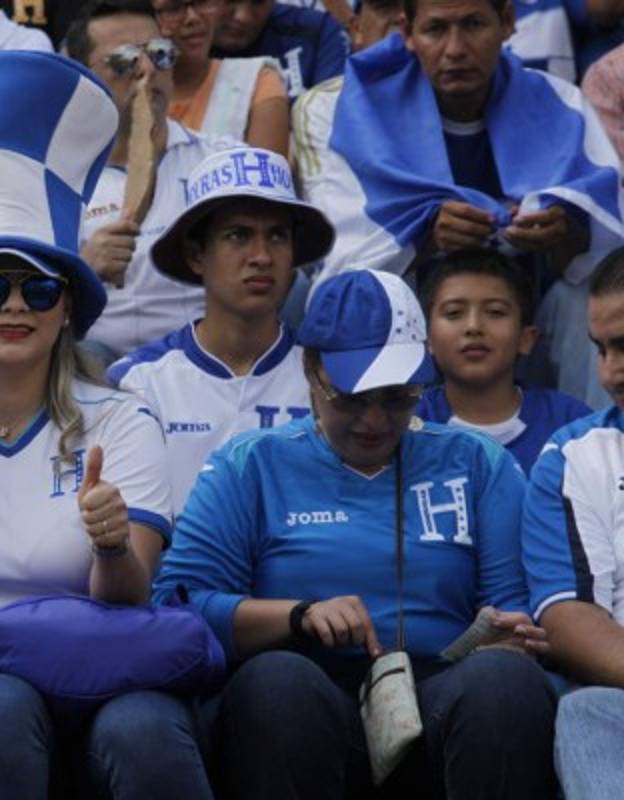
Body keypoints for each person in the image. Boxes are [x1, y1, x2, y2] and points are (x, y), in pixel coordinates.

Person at [0, 50, 204, 798]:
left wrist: (111, 544)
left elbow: (127, 599)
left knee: (140, 728)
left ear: (69, 307)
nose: (15, 306)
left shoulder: (123, 417)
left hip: (112, 668)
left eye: (40, 288)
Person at [154, 269, 557, 798]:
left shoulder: (478, 462)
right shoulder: (251, 464)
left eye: (397, 397)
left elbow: (510, 605)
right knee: (278, 682)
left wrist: (509, 635)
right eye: (351, 397)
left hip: (441, 687)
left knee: (505, 680)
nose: (373, 419)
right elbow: (178, 607)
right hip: (304, 687)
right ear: (312, 370)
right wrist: (298, 616)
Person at [293, 0, 624, 405]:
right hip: (408, 326)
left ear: (507, 22)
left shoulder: (561, 102)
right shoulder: (342, 108)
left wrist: (566, 234)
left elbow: (607, 249)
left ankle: (604, 446)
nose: (455, 48)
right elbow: (339, 278)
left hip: (527, 325)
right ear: (407, 34)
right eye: (436, 30)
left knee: (597, 295)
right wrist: (426, 237)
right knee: (354, 298)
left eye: (473, 25)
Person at [108, 145, 331, 513]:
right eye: (238, 236)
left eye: (277, 236)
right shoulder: (138, 383)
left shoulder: (327, 378)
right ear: (197, 255)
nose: (261, 256)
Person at [68, 0, 237, 359]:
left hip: (201, 361)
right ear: (82, 77)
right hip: (92, 368)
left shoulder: (223, 161)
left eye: (160, 54)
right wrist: (81, 268)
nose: (147, 71)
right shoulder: (54, 175)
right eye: (124, 60)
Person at [522, 247, 624, 800]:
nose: (609, 372)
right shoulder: (574, 456)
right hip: (622, 698)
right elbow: (569, 620)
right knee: (586, 712)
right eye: (600, 350)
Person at [417, 250, 591, 475]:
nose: (473, 327)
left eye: (495, 312)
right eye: (454, 313)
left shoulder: (573, 424)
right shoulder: (407, 424)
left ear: (526, 339)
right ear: (428, 339)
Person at [155, 0, 289, 153]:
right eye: (173, 9)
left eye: (201, 3)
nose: (193, 18)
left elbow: (266, 173)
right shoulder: (126, 89)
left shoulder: (255, 81)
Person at [209, 0, 348, 99]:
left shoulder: (316, 32)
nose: (243, 17)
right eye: (232, 0)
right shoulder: (187, 43)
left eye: (258, 2)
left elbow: (332, 120)